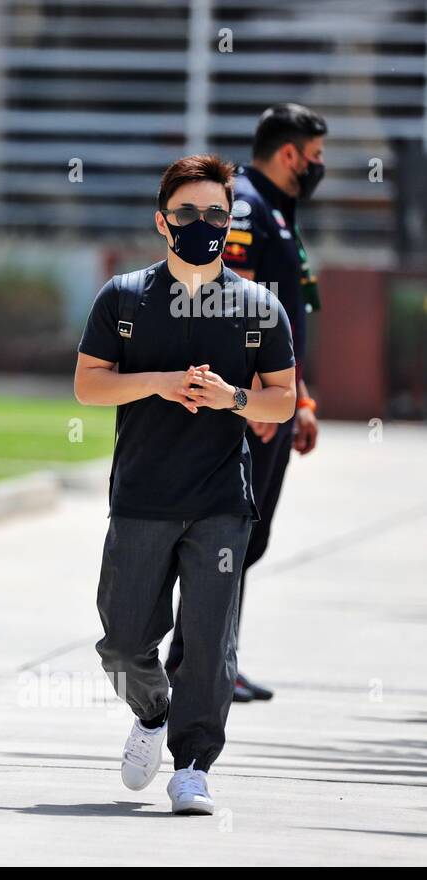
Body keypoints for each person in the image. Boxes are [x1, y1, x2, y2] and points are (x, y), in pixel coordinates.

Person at [75, 154, 296, 814]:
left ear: (230, 223)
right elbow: (88, 384)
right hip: (141, 496)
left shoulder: (260, 308)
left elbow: (281, 401)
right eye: (189, 213)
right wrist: (159, 383)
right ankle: (150, 714)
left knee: (208, 643)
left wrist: (234, 398)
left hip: (221, 503)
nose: (204, 225)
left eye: (216, 215)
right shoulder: (124, 297)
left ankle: (193, 763)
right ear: (162, 220)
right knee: (121, 641)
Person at [166, 104, 327, 703]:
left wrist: (299, 399)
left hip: (272, 404)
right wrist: (249, 402)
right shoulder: (247, 209)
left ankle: (214, 659)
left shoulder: (279, 211)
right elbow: (228, 308)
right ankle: (195, 664)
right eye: (314, 157)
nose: (319, 168)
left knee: (245, 543)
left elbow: (285, 325)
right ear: (289, 154)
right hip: (246, 410)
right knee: (225, 541)